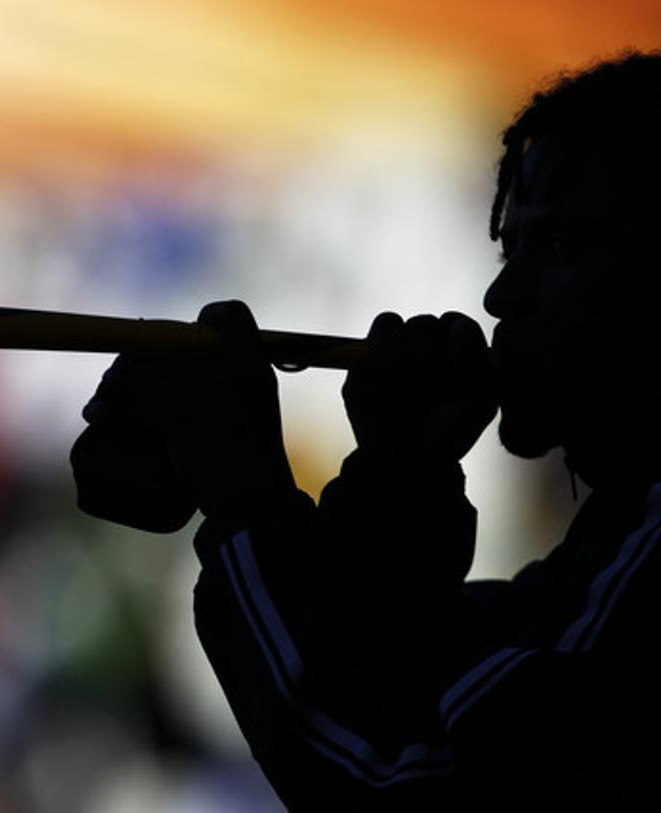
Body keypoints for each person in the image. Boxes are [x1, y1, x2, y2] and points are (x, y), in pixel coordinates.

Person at [71, 52, 661, 810]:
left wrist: (247, 503)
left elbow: (393, 779)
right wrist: (400, 472)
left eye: (556, 248)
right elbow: (426, 665)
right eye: (509, 250)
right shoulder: (610, 544)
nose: (500, 292)